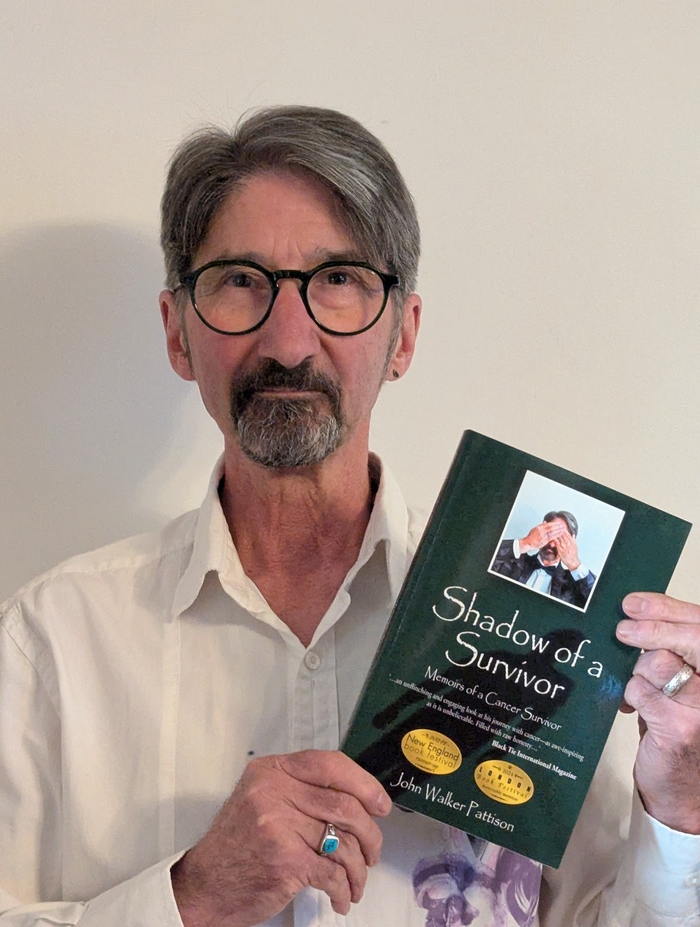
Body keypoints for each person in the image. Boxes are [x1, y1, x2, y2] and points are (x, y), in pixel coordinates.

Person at [0, 106, 698, 927]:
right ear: (177, 333)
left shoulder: (551, 638)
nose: (289, 341)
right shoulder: (50, 644)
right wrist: (190, 898)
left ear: (403, 335)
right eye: (239, 280)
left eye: (338, 280)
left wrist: (683, 809)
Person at [492, 510, 596, 608]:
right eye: (549, 534)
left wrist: (574, 563)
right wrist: (526, 543)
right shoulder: (512, 561)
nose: (552, 544)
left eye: (560, 539)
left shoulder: (573, 586)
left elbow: (596, 606)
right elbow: (485, 556)